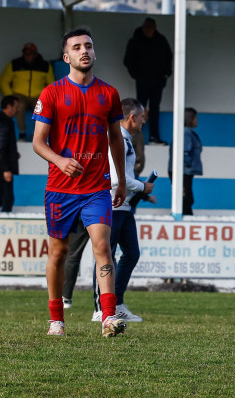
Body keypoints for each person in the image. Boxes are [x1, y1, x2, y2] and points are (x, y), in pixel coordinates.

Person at [33, 27, 127, 337]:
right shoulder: (52, 93)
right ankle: (56, 319)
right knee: (58, 253)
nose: (83, 51)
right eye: (76, 47)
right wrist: (60, 160)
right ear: (66, 56)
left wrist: (121, 181)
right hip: (60, 189)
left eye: (88, 45)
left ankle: (108, 317)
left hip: (96, 188)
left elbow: (115, 139)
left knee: (102, 247)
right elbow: (38, 142)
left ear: (94, 53)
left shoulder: (109, 94)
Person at [90, 98, 154, 323]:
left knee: (132, 253)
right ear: (132, 117)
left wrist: (139, 191)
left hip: (124, 207)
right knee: (106, 255)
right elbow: (116, 179)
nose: (145, 120)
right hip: (111, 204)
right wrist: (141, 186)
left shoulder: (126, 140)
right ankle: (100, 308)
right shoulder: (117, 140)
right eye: (143, 116)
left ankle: (116, 302)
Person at [124, 17, 172, 145]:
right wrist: (137, 75)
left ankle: (153, 137)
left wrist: (166, 74)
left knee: (155, 108)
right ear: (143, 27)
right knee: (140, 108)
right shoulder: (136, 40)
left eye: (151, 27)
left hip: (157, 81)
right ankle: (136, 137)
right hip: (143, 81)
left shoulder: (161, 41)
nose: (148, 30)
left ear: (155, 28)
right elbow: (128, 60)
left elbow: (169, 57)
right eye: (146, 27)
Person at [0, 42, 55, 140]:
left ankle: (37, 135)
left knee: (42, 108)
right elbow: (4, 81)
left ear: (35, 54)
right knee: (18, 106)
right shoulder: (15, 64)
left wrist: (47, 97)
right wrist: (9, 96)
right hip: (20, 95)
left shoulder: (44, 65)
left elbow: (51, 84)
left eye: (30, 53)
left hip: (37, 94)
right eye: (26, 53)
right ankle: (22, 133)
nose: (28, 56)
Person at [168, 108, 202, 215]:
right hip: (183, 172)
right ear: (189, 119)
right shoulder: (185, 133)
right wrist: (189, 164)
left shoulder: (187, 132)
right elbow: (183, 152)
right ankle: (184, 221)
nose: (197, 120)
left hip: (185, 172)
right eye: (195, 117)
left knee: (187, 198)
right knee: (185, 199)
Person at [0, 96, 20, 211]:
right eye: (16, 107)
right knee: (7, 200)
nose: (17, 110)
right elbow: (1, 147)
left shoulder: (6, 121)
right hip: (3, 170)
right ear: (8, 106)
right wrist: (6, 169)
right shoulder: (4, 122)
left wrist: (13, 154)